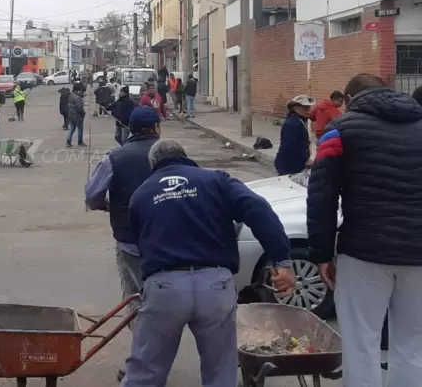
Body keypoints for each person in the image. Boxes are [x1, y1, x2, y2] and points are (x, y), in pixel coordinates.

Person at [123, 138, 295, 386]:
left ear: (153, 163)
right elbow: (257, 208)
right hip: (215, 287)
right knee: (220, 373)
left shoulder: (140, 195)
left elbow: (139, 243)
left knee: (145, 372)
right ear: (185, 155)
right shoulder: (216, 181)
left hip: (165, 288)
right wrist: (281, 259)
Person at [308, 73, 422, 387]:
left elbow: (322, 196)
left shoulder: (339, 131)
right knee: (412, 347)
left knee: (361, 346)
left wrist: (320, 252)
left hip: (363, 254)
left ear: (347, 99)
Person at [85, 107, 163, 380]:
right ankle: (153, 359)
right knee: (161, 299)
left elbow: (93, 195)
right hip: (168, 240)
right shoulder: (173, 155)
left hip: (130, 241)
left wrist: (108, 206)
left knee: (137, 302)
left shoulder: (115, 158)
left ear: (130, 129)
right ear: (155, 128)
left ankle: (144, 365)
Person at [274, 94, 315, 176]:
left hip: (294, 165)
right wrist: (304, 161)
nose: (308, 110)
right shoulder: (292, 124)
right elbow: (289, 147)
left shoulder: (300, 121)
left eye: (309, 107)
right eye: (305, 108)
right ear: (295, 108)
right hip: (290, 167)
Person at [66, 82, 87, 147]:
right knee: (80, 129)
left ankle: (68, 142)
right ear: (77, 90)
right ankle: (80, 142)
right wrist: (83, 113)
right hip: (78, 117)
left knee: (71, 129)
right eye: (81, 91)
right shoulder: (78, 98)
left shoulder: (70, 96)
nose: (82, 92)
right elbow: (80, 108)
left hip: (70, 115)